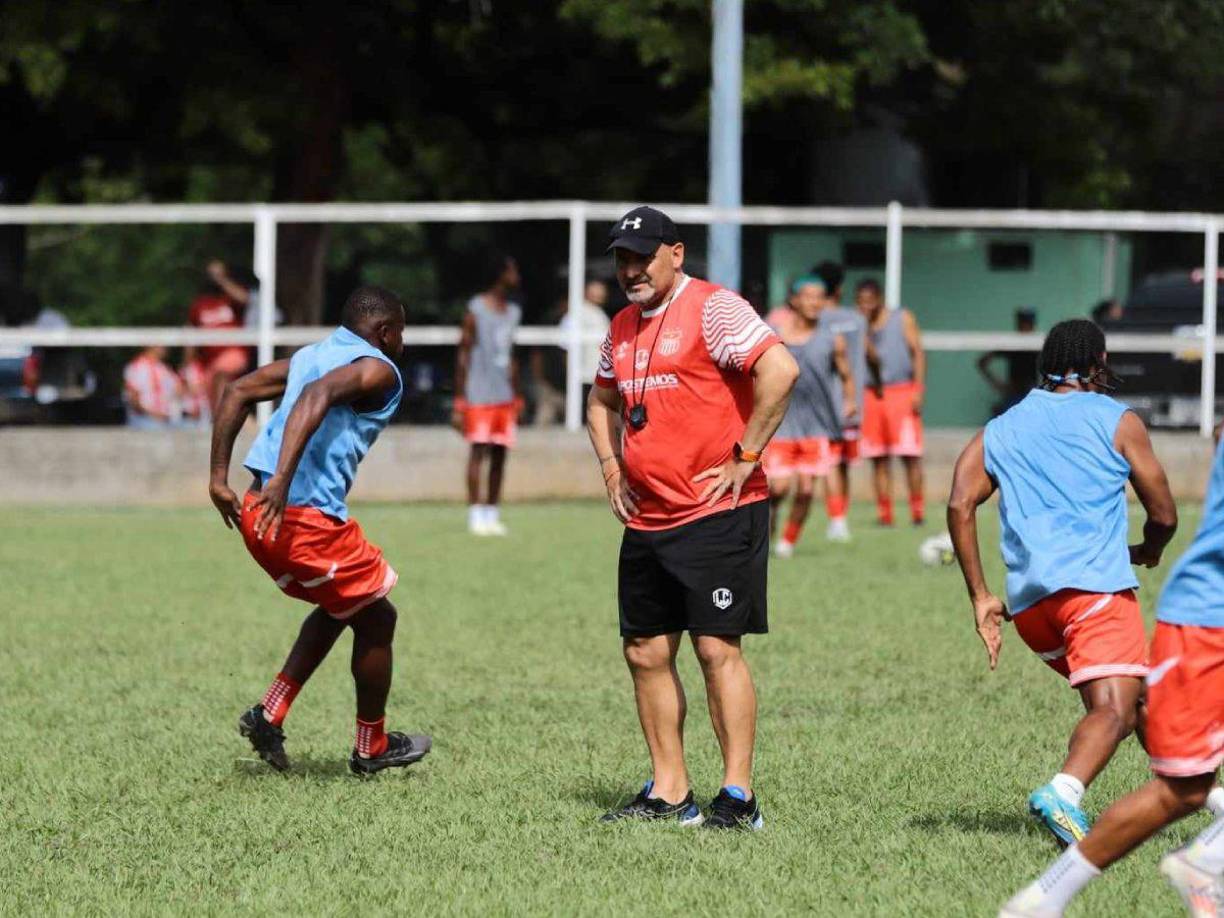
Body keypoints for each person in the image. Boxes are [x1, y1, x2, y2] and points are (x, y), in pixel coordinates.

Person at [588, 205, 798, 830]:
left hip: (718, 511)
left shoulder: (715, 308)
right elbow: (600, 399)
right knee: (645, 651)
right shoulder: (621, 326)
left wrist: (748, 455)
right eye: (622, 259)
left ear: (675, 254)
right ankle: (670, 792)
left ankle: (738, 798)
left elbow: (780, 371)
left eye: (642, 257)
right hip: (648, 518)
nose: (631, 270)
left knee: (715, 649)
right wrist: (610, 465)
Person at [947, 318, 1177, 850]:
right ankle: (1063, 793)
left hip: (1032, 610)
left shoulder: (1001, 427)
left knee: (1133, 698)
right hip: (1094, 591)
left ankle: (1208, 799)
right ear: (1098, 362)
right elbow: (1163, 512)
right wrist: (1150, 549)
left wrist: (981, 595)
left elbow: (960, 503)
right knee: (1114, 710)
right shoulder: (1115, 419)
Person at [208, 285, 430, 776]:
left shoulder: (311, 355)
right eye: (402, 332)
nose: (402, 343)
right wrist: (284, 480)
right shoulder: (378, 367)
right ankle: (371, 748)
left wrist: (218, 478)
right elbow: (319, 394)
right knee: (378, 619)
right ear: (386, 332)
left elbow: (238, 389)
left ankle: (269, 713)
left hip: (254, 512)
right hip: (299, 519)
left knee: (342, 604)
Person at [1001, 435, 1224, 918]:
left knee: (1183, 787)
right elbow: (1162, 511)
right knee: (1125, 717)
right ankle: (1207, 858)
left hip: (1189, 609)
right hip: (1200, 614)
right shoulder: (1109, 424)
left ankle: (1042, 900)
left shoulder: (1013, 430)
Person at [766, 276, 855, 557]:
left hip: (817, 424)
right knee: (778, 489)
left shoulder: (832, 338)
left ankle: (787, 543)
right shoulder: (772, 333)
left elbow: (845, 373)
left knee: (805, 489)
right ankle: (767, 530)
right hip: (782, 422)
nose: (815, 302)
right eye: (809, 296)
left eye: (820, 296)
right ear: (794, 300)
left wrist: (850, 400)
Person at [453, 253, 523, 536]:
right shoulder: (476, 309)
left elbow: (511, 355)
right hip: (479, 393)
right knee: (478, 451)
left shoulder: (514, 312)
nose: (516, 276)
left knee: (500, 455)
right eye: (512, 270)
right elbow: (463, 352)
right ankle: (475, 514)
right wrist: (460, 397)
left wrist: (517, 393)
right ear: (500, 274)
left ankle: (492, 513)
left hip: (504, 394)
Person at [857, 278, 927, 526]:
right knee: (878, 458)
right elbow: (866, 359)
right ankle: (884, 513)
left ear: (879, 299)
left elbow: (917, 352)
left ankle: (917, 511)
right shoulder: (858, 325)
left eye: (869, 301)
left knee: (910, 455)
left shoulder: (902, 318)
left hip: (902, 391)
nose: (865, 306)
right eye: (861, 302)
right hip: (872, 394)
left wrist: (918, 389)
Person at [814, 261, 866, 542]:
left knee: (830, 463)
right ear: (840, 288)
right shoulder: (857, 320)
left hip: (824, 404)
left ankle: (837, 519)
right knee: (843, 462)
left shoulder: (815, 320)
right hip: (853, 402)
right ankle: (840, 517)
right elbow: (870, 354)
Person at [186, 262, 249, 413]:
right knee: (210, 398)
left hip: (234, 354)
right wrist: (188, 364)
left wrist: (221, 280)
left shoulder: (230, 299)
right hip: (209, 362)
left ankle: (224, 418)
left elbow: (245, 299)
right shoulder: (199, 304)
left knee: (221, 377)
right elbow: (191, 336)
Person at [558, 278, 612, 411]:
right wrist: (571, 372)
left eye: (601, 288)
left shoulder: (598, 313)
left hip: (598, 374)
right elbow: (566, 344)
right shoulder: (577, 313)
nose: (600, 292)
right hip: (584, 376)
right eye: (595, 288)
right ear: (585, 290)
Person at [978, 308, 1039, 417]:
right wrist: (997, 384)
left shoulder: (1037, 345)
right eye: (1022, 324)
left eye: (1028, 324)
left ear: (1032, 325)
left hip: (1031, 394)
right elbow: (982, 362)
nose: (1025, 328)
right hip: (1013, 394)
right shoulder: (1011, 344)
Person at [123, 345, 183, 429]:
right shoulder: (137, 367)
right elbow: (134, 401)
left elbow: (179, 390)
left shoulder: (164, 368)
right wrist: (154, 415)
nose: (165, 348)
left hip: (165, 421)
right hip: (144, 421)